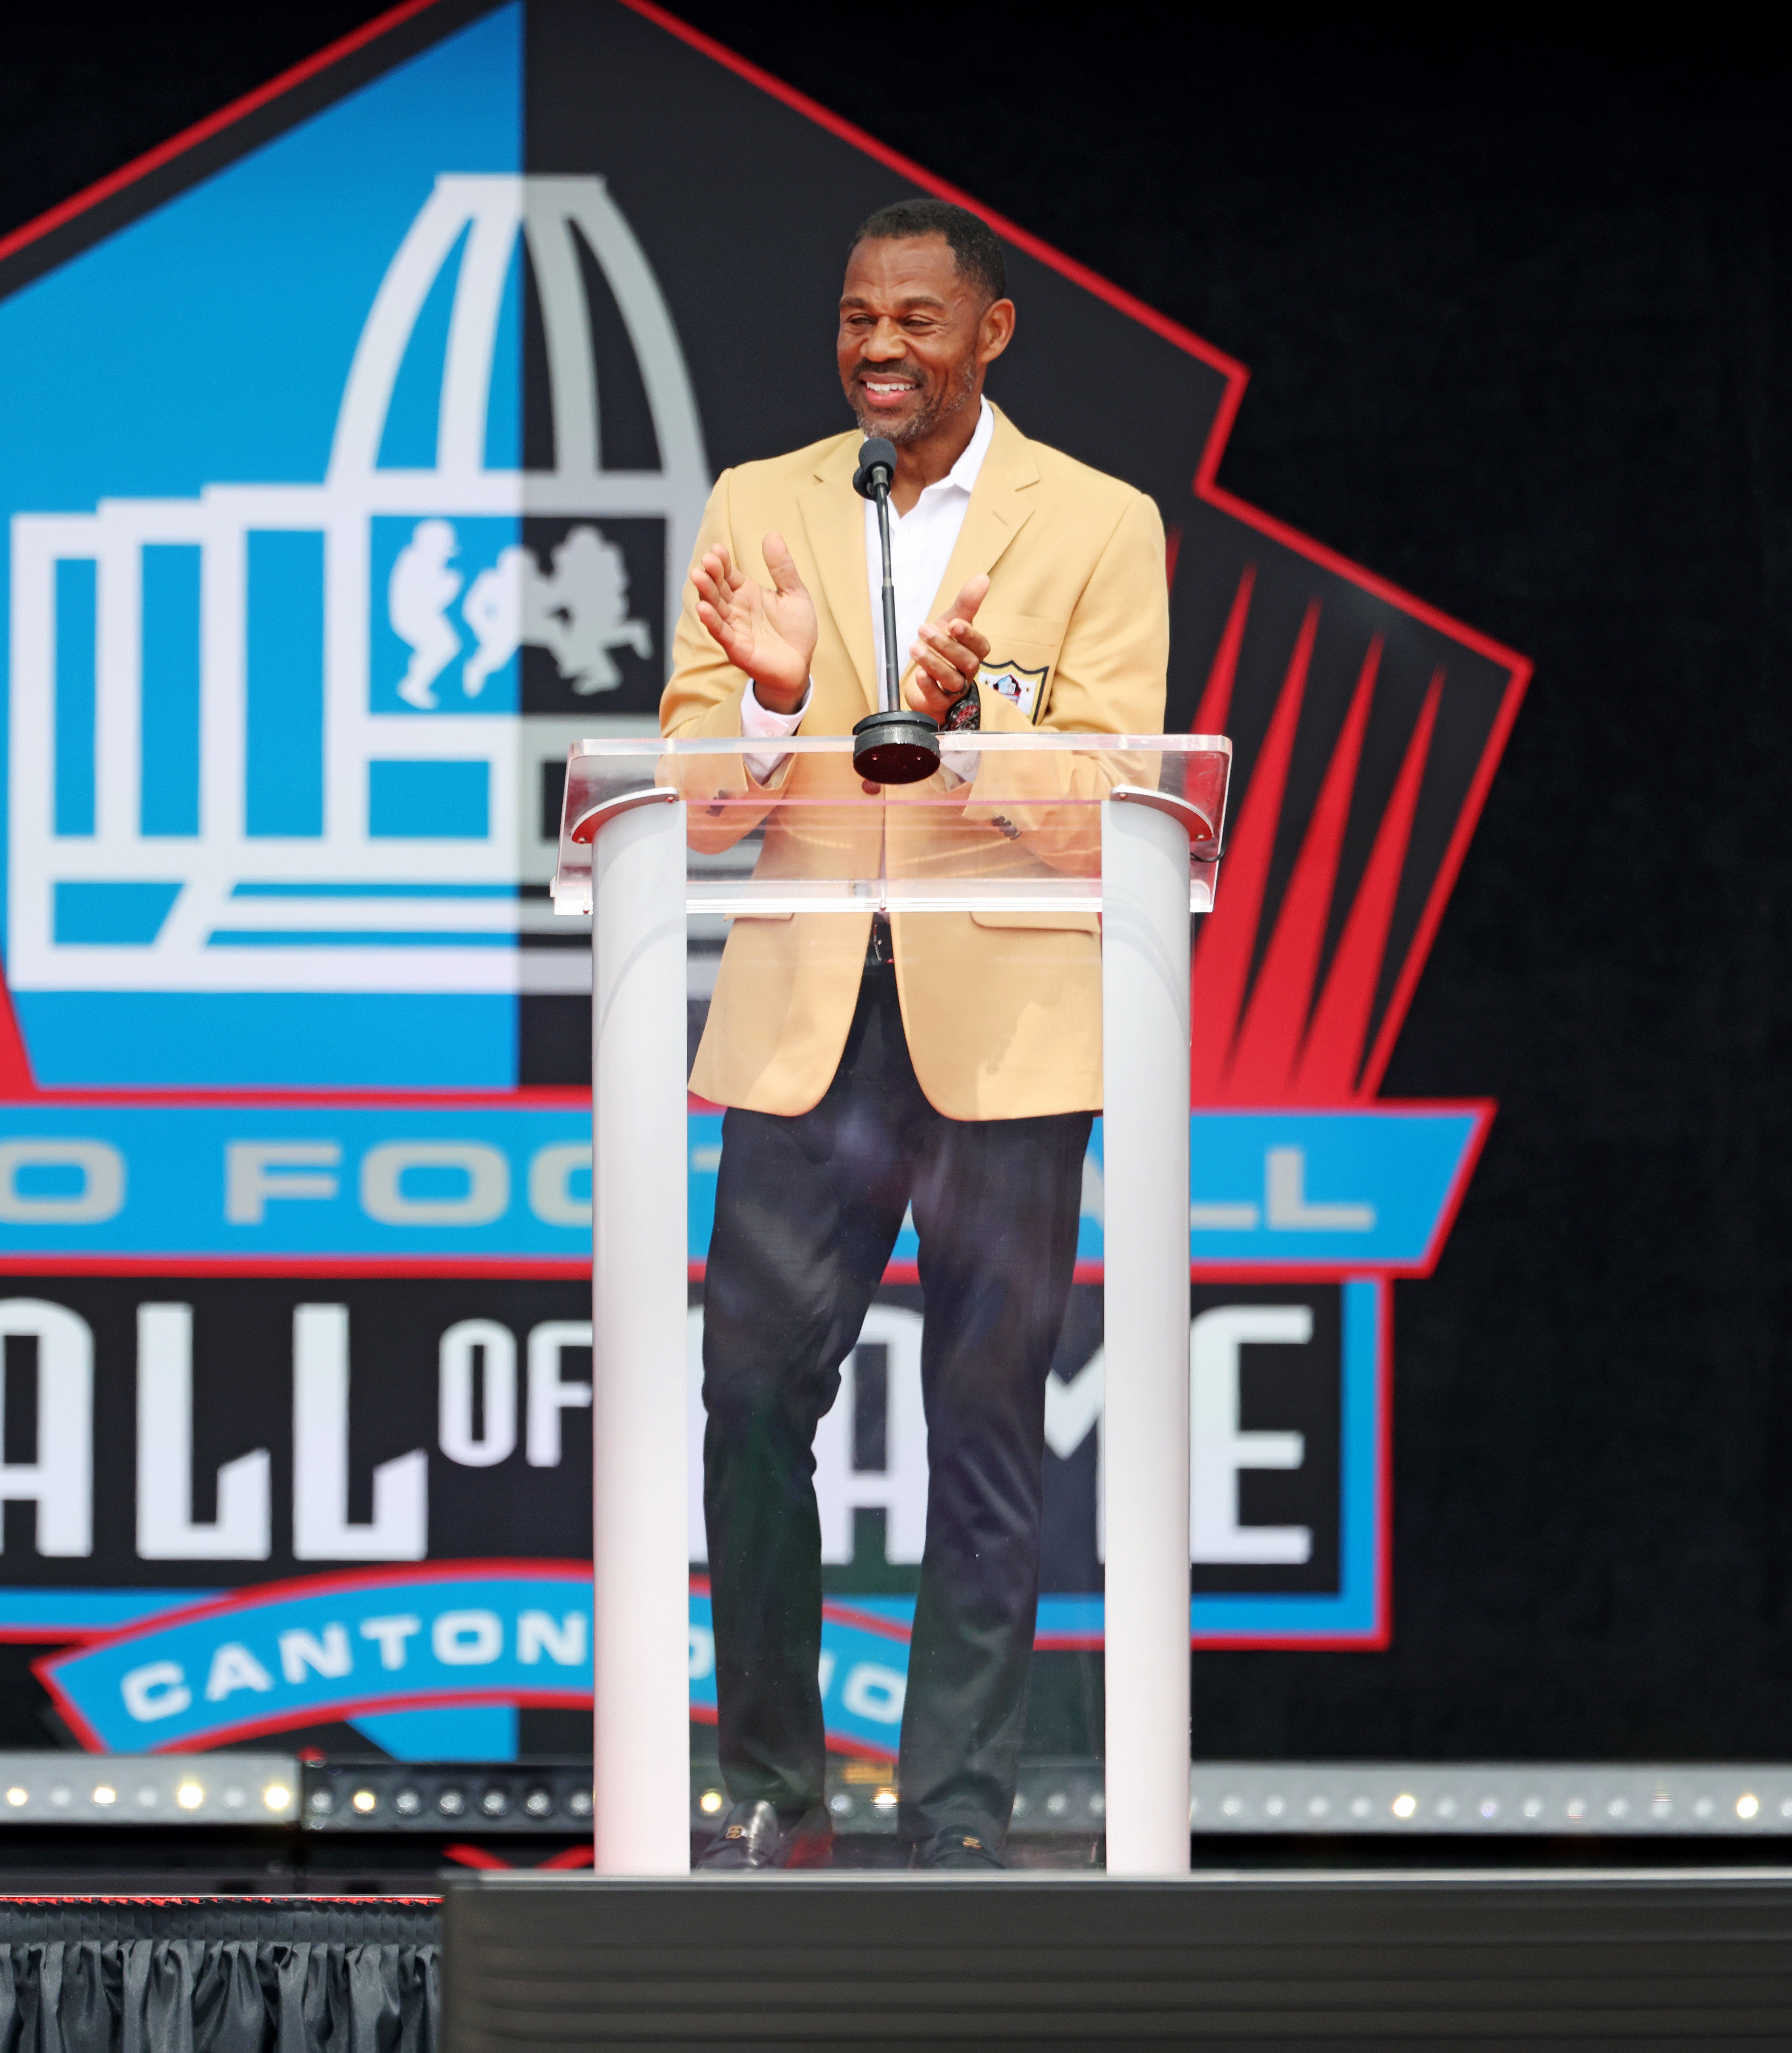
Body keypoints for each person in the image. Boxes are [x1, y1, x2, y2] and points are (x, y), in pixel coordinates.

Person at [669, 197, 1169, 1869]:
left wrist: (963, 735)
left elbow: (1116, 798)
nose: (878, 348)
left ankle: (957, 1811)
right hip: (805, 1023)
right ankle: (772, 1790)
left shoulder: (1096, 523)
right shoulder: (760, 504)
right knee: (749, 1399)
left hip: (1006, 1027)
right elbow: (696, 796)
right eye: (855, 317)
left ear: (990, 332)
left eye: (914, 319)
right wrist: (770, 699)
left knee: (987, 1421)